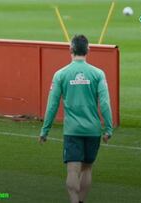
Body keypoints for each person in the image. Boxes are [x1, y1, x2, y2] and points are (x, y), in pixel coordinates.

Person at [38, 35, 113, 203]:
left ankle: (74, 200)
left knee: (73, 172)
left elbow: (52, 105)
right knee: (87, 170)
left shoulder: (61, 74)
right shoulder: (98, 74)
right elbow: (105, 103)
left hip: (72, 131)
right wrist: (108, 129)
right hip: (93, 130)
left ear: (70, 50)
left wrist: (45, 130)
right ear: (88, 50)